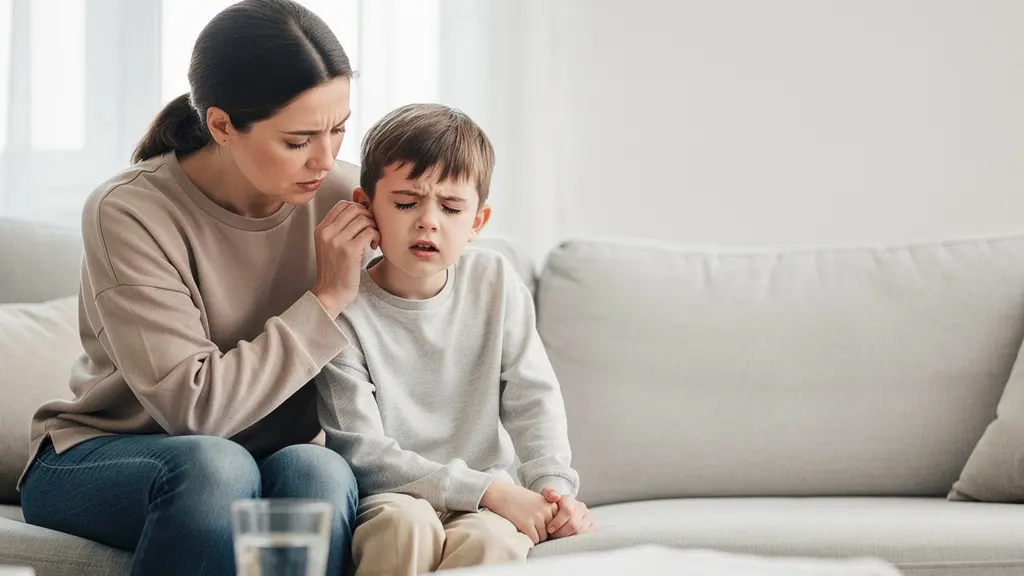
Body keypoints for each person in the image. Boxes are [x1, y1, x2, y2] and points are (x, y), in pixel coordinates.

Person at [18, 1, 376, 574]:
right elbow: (197, 413)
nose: (326, 158)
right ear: (221, 125)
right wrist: (327, 299)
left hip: (270, 459)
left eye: (339, 129)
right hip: (105, 457)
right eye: (298, 139)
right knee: (217, 469)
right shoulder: (130, 211)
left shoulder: (345, 198)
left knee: (320, 472)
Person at [315, 103, 595, 576]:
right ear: (367, 208)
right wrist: (492, 490)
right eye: (406, 202)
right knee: (405, 528)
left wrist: (554, 491)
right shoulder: (341, 305)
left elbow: (534, 399)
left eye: (450, 207)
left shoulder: (495, 281)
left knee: (491, 541)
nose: (428, 221)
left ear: (477, 224)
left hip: (488, 503)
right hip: (394, 496)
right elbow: (361, 450)